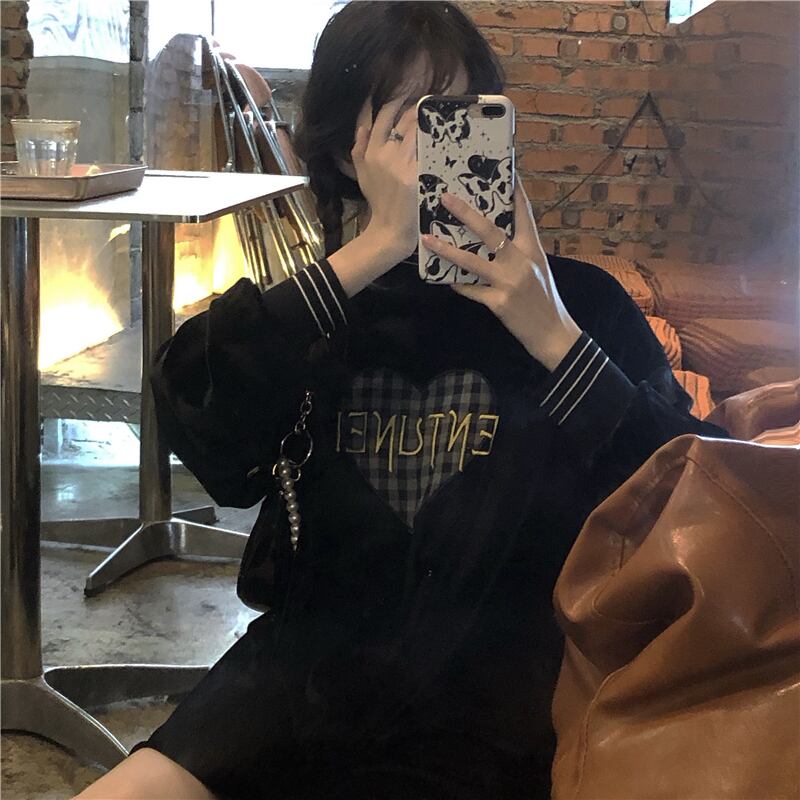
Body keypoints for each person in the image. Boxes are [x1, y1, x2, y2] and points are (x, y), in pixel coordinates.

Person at [75, 3, 726, 799]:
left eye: (456, 117)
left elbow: (693, 494)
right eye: (404, 125)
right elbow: (199, 416)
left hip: (499, 699)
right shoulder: (325, 309)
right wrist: (378, 246)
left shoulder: (578, 305)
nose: (433, 149)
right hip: (305, 675)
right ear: (345, 151)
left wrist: (550, 332)